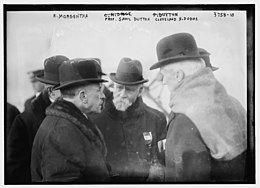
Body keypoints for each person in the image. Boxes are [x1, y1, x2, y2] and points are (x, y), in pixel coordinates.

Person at [150, 32, 247, 182]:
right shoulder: (233, 104)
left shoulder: (184, 118)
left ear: (178, 75)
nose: (162, 82)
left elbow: (185, 178)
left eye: (163, 74)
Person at [31, 58, 110, 182]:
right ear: (83, 96)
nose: (103, 96)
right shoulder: (62, 131)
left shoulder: (69, 122)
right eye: (98, 90)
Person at [91, 57, 167, 183]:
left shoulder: (156, 119)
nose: (123, 94)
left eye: (130, 89)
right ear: (113, 87)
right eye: (119, 88)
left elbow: (162, 158)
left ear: (140, 91)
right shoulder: (96, 120)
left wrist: (158, 168)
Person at [6, 55, 69, 184]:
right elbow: (17, 169)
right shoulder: (26, 121)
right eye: (67, 87)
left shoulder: (82, 112)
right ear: (51, 90)